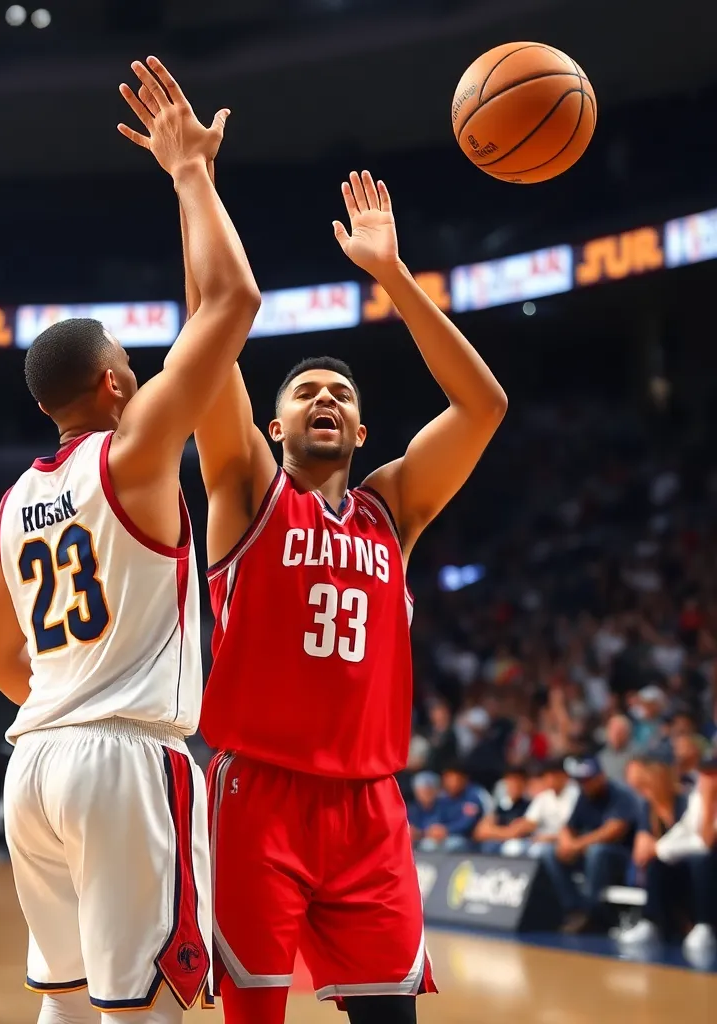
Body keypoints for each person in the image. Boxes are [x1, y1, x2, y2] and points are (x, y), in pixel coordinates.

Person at [0, 57, 259, 1024]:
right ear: (111, 387)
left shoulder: (16, 500)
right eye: (134, 368)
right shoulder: (133, 456)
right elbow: (231, 308)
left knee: (69, 1001)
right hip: (126, 759)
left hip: (36, 763)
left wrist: (69, 702)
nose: (143, 378)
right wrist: (191, 174)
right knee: (147, 1011)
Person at [194, 168, 506, 1024]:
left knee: (390, 1018)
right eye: (304, 394)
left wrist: (396, 279)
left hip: (370, 806)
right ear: (274, 426)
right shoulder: (246, 490)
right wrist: (195, 183)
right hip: (258, 796)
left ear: (363, 433)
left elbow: (483, 406)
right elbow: (209, 334)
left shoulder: (390, 512)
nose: (324, 398)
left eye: (341, 396)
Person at [618, 753, 717, 958]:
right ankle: (650, 923)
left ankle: (704, 926)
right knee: (658, 862)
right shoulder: (697, 798)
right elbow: (684, 830)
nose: (708, 779)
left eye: (713, 774)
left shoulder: (698, 798)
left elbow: (705, 842)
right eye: (705, 774)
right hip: (697, 862)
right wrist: (658, 849)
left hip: (710, 860)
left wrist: (660, 848)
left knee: (701, 859)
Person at [541, 755, 639, 933]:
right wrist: (567, 843)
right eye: (580, 780)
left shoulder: (620, 794)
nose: (584, 784)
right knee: (549, 852)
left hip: (622, 857)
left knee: (597, 851)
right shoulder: (584, 796)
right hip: (591, 854)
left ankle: (592, 912)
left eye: (588, 779)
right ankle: (574, 909)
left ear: (600, 776)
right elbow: (568, 827)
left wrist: (576, 845)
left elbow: (614, 830)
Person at [499, 758, 579, 857]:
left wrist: (548, 838)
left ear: (563, 776)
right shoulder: (544, 796)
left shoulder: (575, 795)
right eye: (547, 776)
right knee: (511, 847)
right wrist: (511, 830)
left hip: (562, 841)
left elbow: (574, 830)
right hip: (541, 839)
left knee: (539, 851)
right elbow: (529, 822)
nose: (549, 779)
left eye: (553, 776)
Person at [417, 762, 488, 853]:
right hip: (443, 836)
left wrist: (447, 830)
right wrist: (432, 829)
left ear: (464, 779)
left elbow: (467, 824)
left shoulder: (473, 796)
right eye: (449, 778)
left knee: (452, 844)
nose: (452, 783)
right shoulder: (442, 797)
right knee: (427, 845)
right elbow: (434, 817)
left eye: (455, 779)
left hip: (467, 840)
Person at [474, 764, 531, 853]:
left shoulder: (529, 806)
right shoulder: (500, 806)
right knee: (488, 845)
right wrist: (505, 832)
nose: (514, 785)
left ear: (525, 784)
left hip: (521, 846)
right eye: (510, 781)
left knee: (512, 847)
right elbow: (480, 831)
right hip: (498, 844)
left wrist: (493, 831)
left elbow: (515, 832)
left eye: (518, 781)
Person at [406, 772, 442, 844]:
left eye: (430, 790)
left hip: (442, 843)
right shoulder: (411, 808)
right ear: (416, 791)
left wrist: (447, 829)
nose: (426, 793)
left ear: (437, 790)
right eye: (422, 790)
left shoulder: (444, 805)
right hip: (418, 844)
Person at [598, 713, 634, 783]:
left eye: (619, 731)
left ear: (627, 734)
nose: (615, 735)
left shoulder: (637, 756)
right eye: (612, 730)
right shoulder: (601, 757)